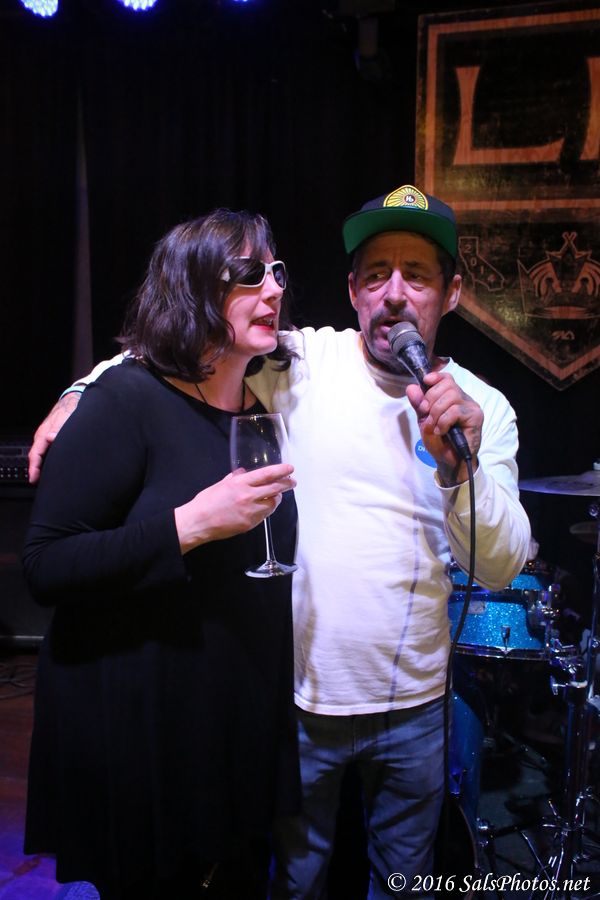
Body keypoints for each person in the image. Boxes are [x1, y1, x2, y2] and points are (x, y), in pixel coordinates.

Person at [29, 184, 532, 898]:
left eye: (416, 275)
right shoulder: (304, 362)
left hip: (418, 707)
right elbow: (185, 342)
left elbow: (502, 563)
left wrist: (461, 469)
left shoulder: (485, 409)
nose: (394, 294)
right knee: (295, 882)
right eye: (376, 274)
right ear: (353, 291)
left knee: (406, 882)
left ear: (451, 294)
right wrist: (80, 388)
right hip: (299, 702)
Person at [22, 210, 300, 900]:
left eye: (275, 271)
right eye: (249, 274)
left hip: (228, 727)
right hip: (143, 738)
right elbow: (46, 565)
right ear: (193, 288)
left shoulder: (259, 407)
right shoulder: (125, 401)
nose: (273, 288)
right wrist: (190, 524)